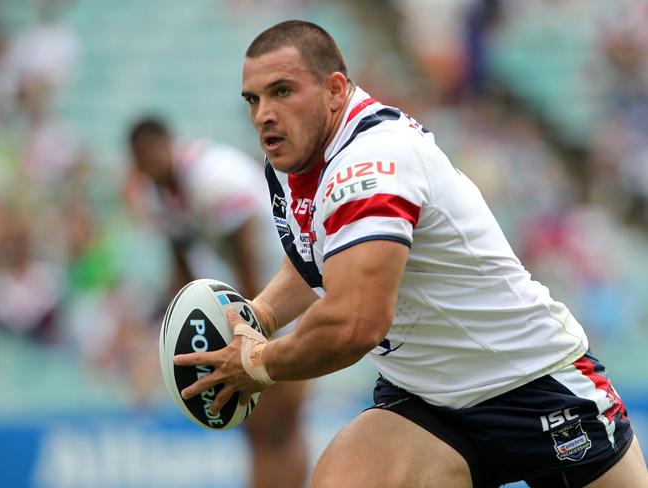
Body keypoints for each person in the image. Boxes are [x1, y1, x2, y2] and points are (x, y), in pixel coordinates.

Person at [174, 20, 648, 488]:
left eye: (281, 91)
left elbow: (355, 322)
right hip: (424, 397)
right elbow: (319, 257)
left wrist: (257, 362)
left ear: (335, 90)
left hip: (528, 384)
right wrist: (260, 315)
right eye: (253, 99)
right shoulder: (302, 155)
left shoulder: (371, 165)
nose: (263, 114)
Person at [127, 118, 308, 488]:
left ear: (168, 145)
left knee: (278, 422)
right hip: (248, 299)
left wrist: (252, 327)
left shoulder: (213, 178)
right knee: (256, 427)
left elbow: (247, 253)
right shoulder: (160, 193)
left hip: (285, 289)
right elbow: (182, 268)